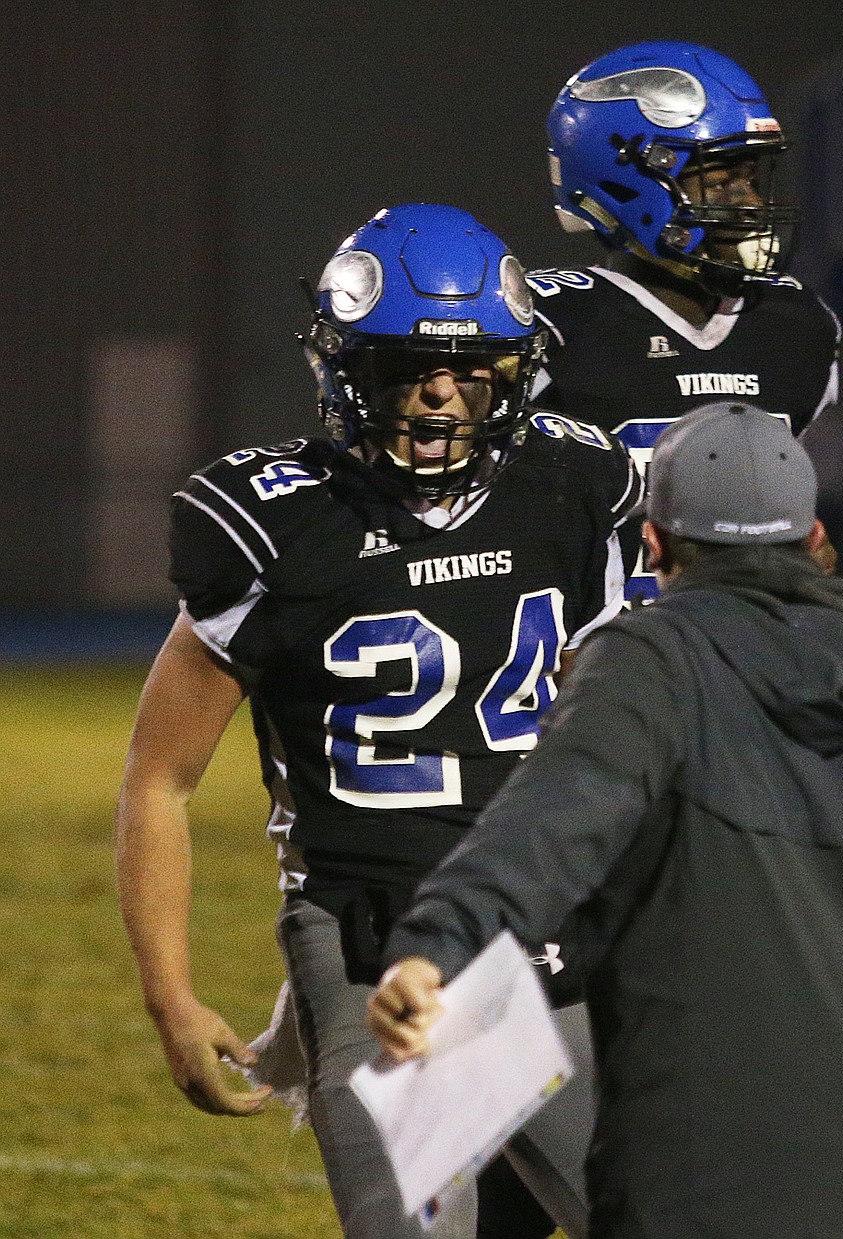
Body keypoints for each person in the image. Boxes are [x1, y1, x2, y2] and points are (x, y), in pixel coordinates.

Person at [367, 401, 843, 1239]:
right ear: (815, 539)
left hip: (703, 1174)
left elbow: (547, 822)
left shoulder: (651, 664)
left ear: (655, 546)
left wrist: (437, 945)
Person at [115, 203, 643, 1239]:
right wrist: (171, 999)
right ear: (347, 369)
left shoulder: (571, 485)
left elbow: (609, 730)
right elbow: (160, 777)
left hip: (545, 932)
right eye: (409, 366)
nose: (443, 394)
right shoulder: (280, 520)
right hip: (369, 943)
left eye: (471, 365)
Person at [528, 40, 841, 595]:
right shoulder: (546, 324)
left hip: (742, 661)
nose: (747, 203)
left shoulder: (793, 324)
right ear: (626, 183)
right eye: (720, 181)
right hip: (594, 665)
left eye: (750, 177)